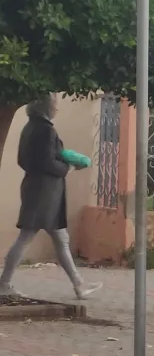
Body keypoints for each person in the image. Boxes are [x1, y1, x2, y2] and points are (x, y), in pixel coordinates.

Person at [0, 95, 102, 299]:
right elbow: (47, 161)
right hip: (45, 192)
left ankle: (79, 283)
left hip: (35, 187)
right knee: (28, 235)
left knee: (59, 237)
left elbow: (24, 160)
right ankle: (4, 283)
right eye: (54, 103)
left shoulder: (29, 128)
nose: (57, 107)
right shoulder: (46, 130)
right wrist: (69, 167)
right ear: (45, 107)